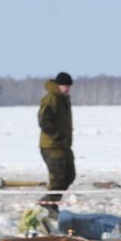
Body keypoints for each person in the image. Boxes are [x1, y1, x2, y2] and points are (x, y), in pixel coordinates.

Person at [37, 72, 75, 210]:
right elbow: (44, 121)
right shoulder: (51, 99)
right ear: (58, 85)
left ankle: (50, 202)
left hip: (64, 146)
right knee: (58, 178)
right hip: (52, 146)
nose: (67, 89)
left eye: (69, 86)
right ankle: (48, 205)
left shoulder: (64, 99)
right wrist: (57, 135)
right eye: (65, 86)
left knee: (69, 175)